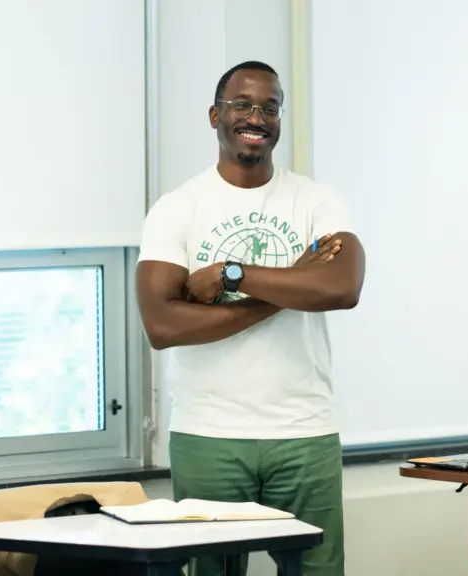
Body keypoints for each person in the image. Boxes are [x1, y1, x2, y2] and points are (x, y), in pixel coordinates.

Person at [135, 60, 365, 576]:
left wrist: (233, 276)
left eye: (270, 106)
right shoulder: (177, 209)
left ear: (279, 120)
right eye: (242, 105)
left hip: (305, 431)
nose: (256, 117)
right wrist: (290, 285)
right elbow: (163, 326)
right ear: (216, 114)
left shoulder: (316, 200)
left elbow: (343, 287)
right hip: (209, 433)